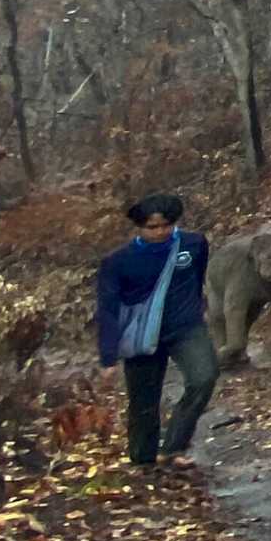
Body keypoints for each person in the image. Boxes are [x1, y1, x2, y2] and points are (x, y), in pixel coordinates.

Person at [92, 193, 217, 471]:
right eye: (152, 227)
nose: (160, 232)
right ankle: (143, 460)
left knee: (204, 377)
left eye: (166, 226)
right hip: (141, 336)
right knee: (143, 402)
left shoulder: (193, 245)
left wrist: (193, 310)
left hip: (186, 328)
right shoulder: (118, 261)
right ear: (139, 227)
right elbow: (108, 309)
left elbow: (197, 278)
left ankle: (173, 446)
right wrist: (108, 357)